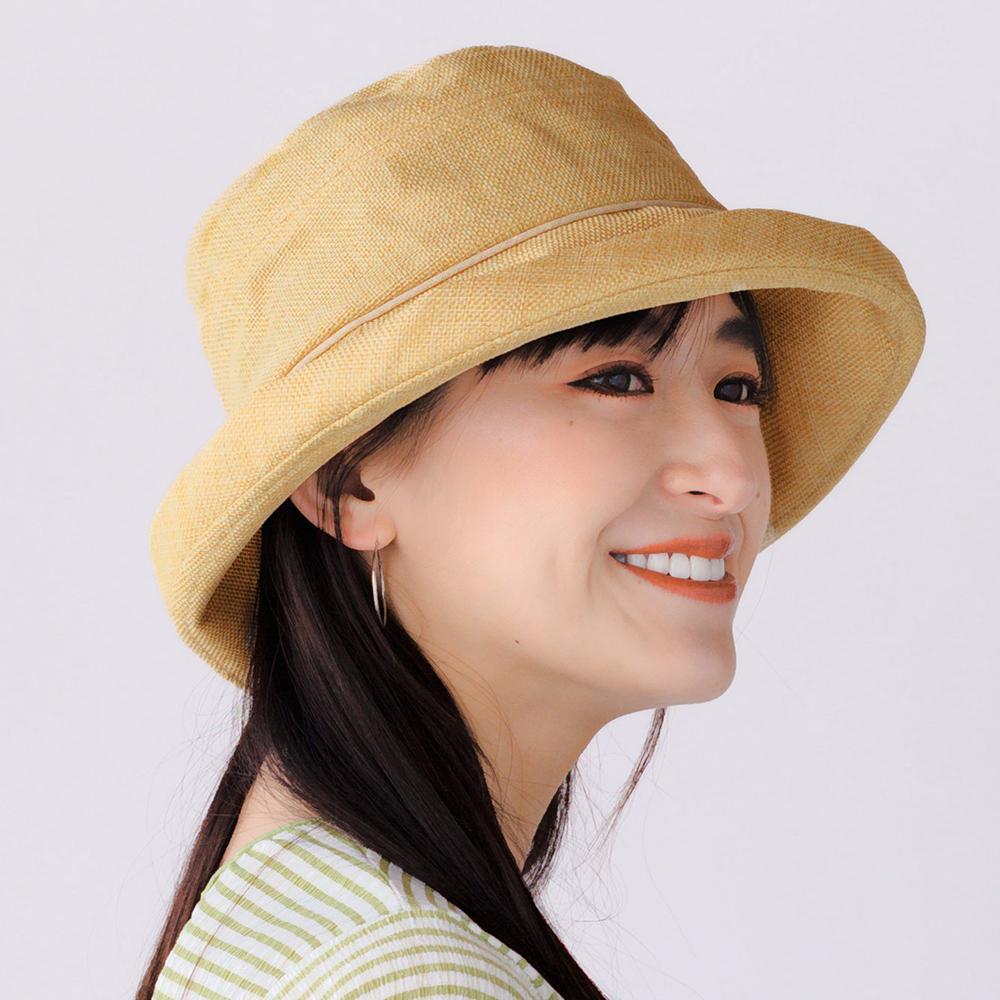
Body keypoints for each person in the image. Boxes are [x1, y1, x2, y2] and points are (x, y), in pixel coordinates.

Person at [140, 44, 925, 1000]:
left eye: (737, 387)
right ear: (349, 485)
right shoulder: (410, 977)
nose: (730, 477)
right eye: (616, 379)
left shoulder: (317, 914)